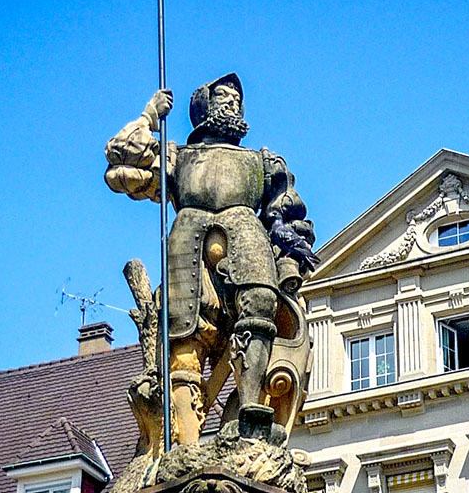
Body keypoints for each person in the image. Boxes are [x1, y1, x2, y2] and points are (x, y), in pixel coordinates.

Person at [104, 73, 316, 444]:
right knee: (182, 333)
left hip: (247, 237)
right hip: (187, 245)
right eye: (222, 95)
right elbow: (121, 157)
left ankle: (252, 407)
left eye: (237, 97)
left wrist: (288, 267)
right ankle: (184, 441)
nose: (232, 102)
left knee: (260, 307)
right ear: (203, 104)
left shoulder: (263, 162)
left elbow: (289, 220)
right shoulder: (178, 157)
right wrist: (149, 115)